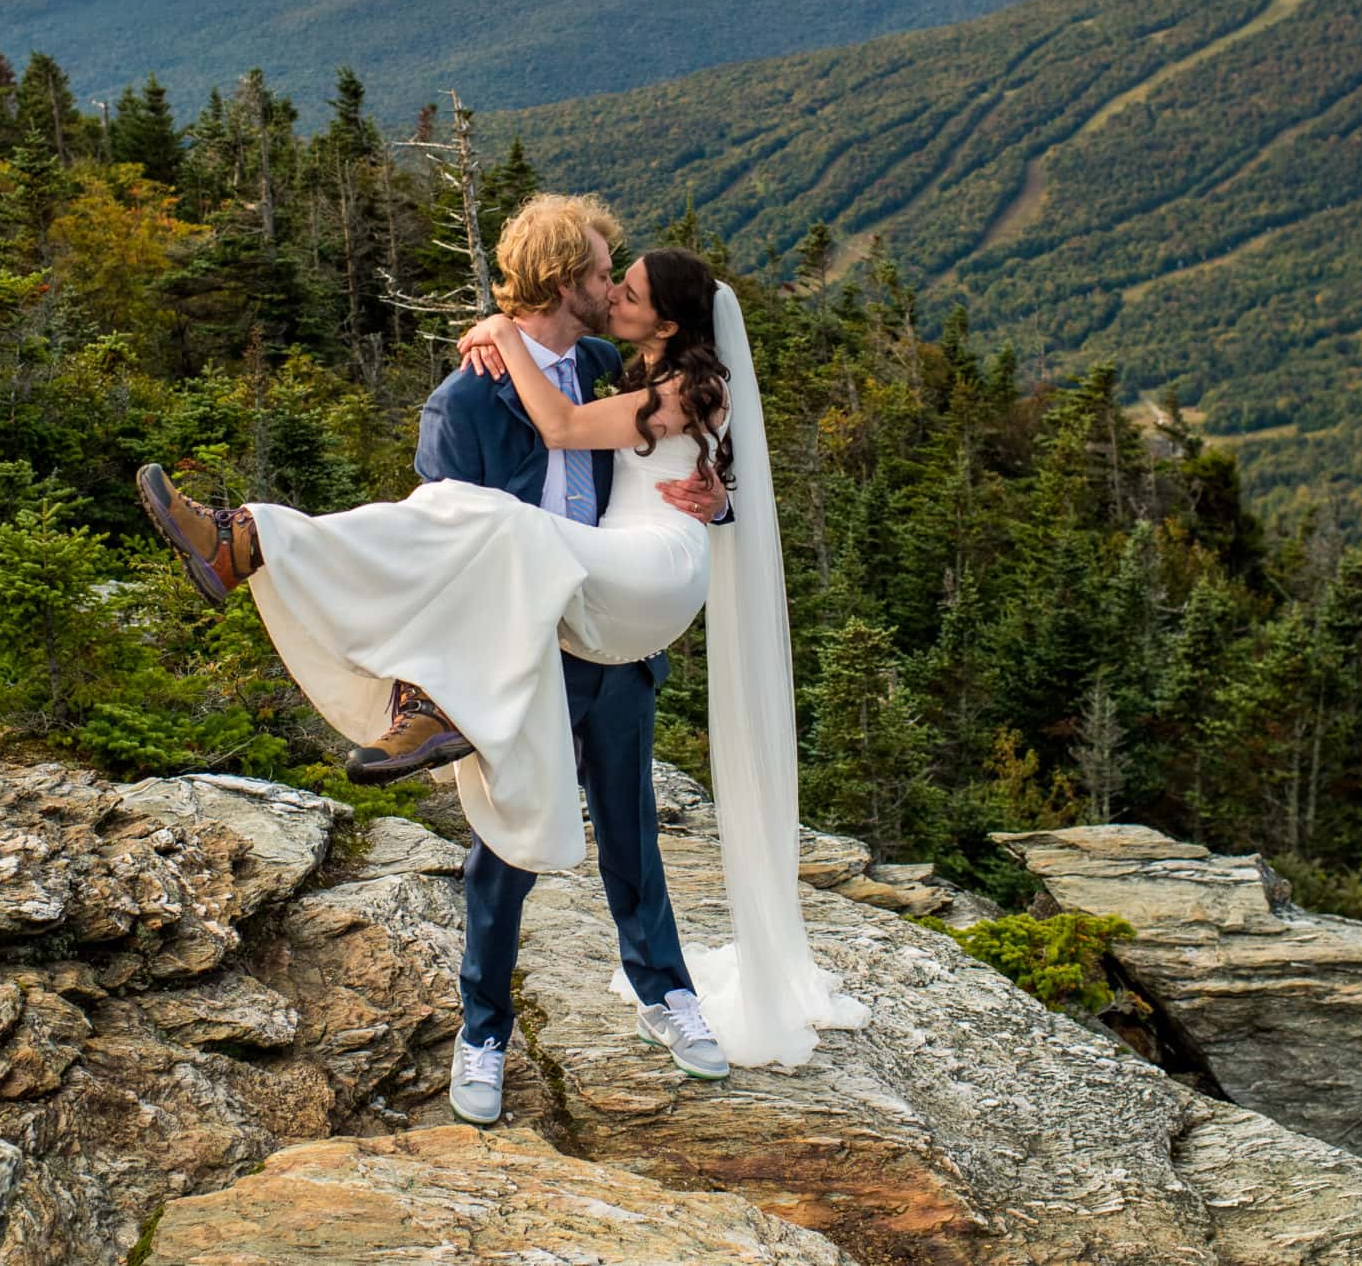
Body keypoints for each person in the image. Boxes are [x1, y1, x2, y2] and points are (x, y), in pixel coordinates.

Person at [135, 194, 862, 1128]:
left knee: (632, 831)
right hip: (530, 645)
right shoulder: (466, 397)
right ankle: (484, 1029)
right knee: (500, 846)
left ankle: (664, 993)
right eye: (606, 273)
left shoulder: (610, 363)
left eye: (622, 280)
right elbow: (435, 550)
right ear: (570, 282)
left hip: (618, 616)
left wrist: (713, 488)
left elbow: (683, 438)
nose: (613, 286)